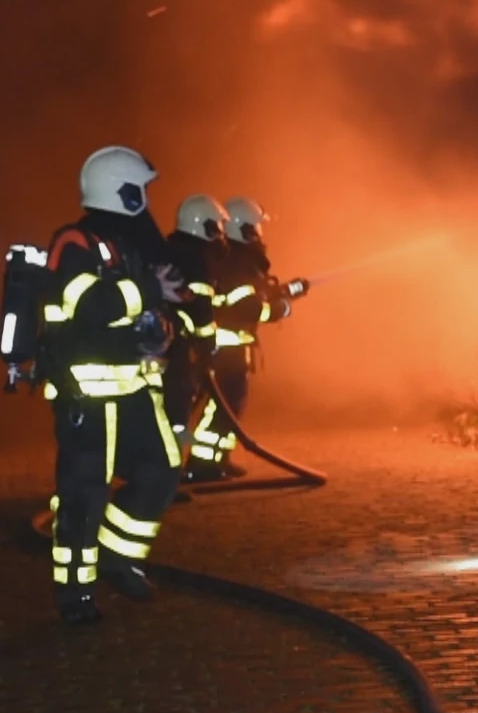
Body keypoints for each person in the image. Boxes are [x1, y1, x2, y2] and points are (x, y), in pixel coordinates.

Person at [38, 146, 190, 624]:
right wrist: (147, 292)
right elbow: (90, 306)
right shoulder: (74, 243)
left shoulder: (129, 248)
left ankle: (117, 557)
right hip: (88, 394)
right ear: (121, 192)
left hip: (135, 389)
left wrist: (164, 323)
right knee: (84, 495)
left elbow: (154, 307)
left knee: (163, 471)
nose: (145, 200)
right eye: (139, 190)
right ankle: (76, 596)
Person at [184, 195, 307, 481]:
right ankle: (203, 466)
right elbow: (247, 307)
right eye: (257, 228)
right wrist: (281, 308)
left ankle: (216, 461)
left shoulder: (235, 259)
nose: (261, 234)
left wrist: (285, 291)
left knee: (226, 408)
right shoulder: (239, 262)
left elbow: (253, 293)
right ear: (246, 229)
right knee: (225, 406)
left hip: (224, 347)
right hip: (226, 348)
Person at [162, 194, 230, 455]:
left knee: (170, 408)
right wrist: (208, 347)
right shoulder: (196, 258)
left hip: (165, 343)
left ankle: (164, 478)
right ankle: (163, 483)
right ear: (206, 226)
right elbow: (201, 310)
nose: (222, 235)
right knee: (175, 410)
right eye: (218, 227)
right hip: (178, 348)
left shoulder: (174, 249)